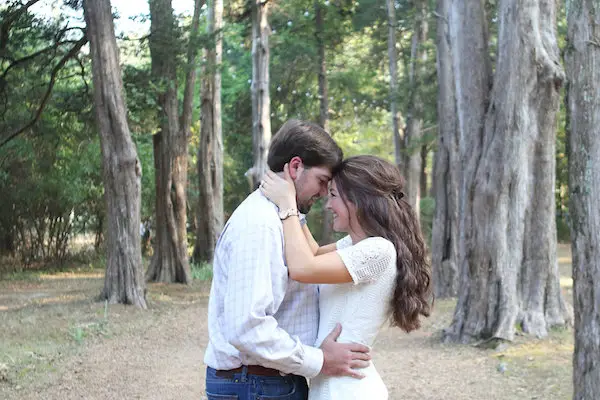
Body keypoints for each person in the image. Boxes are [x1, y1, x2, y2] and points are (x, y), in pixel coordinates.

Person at [204, 120, 372, 400]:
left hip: (266, 383)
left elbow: (315, 256)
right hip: (256, 385)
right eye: (322, 181)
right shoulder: (260, 225)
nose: (323, 193)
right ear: (295, 167)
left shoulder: (281, 217)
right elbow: (247, 327)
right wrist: (319, 360)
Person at [259, 155, 433, 400]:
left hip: (346, 389)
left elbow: (303, 268)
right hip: (336, 383)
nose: (328, 205)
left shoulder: (378, 251)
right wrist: (295, 207)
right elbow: (314, 254)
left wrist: (287, 204)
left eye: (333, 195)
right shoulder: (356, 244)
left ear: (358, 201)